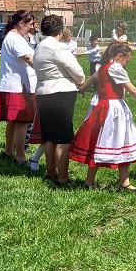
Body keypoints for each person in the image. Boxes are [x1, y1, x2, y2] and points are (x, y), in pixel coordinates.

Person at [71, 43, 136, 190]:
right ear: (120, 56)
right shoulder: (115, 68)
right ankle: (117, 182)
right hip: (113, 110)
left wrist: (82, 88)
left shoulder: (103, 66)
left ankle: (105, 181)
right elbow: (133, 90)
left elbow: (92, 79)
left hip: (102, 108)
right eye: (127, 61)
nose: (126, 64)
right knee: (116, 140)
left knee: (102, 143)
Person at [33, 15, 86, 186]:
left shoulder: (39, 46)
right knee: (63, 138)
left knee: (49, 136)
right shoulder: (59, 48)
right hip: (60, 92)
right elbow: (77, 71)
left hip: (43, 92)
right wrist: (80, 82)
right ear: (61, 30)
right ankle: (63, 178)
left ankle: (50, 172)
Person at [0, 10, 38, 165]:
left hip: (13, 85)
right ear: (21, 23)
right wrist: (45, 72)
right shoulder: (16, 39)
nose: (31, 28)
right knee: (22, 121)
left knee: (14, 122)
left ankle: (9, 151)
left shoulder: (12, 37)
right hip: (18, 86)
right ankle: (20, 157)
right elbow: (28, 58)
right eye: (29, 24)